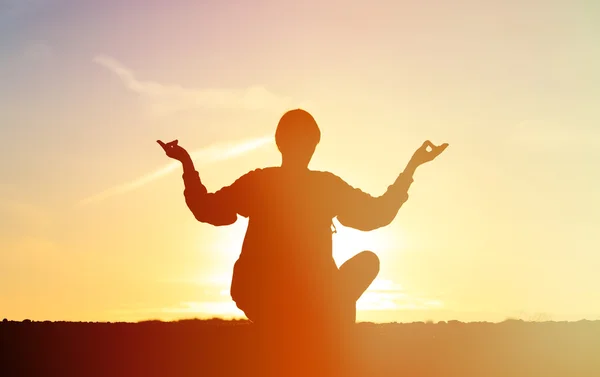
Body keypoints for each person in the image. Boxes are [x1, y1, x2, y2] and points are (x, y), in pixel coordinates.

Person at [157, 109, 448, 329]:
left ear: (279, 143)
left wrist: (186, 163)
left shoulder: (261, 182)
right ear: (313, 145)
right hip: (288, 298)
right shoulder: (321, 186)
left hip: (266, 297)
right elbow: (378, 214)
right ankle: (336, 346)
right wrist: (412, 167)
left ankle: (327, 339)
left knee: (363, 265)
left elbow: (205, 209)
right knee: (366, 263)